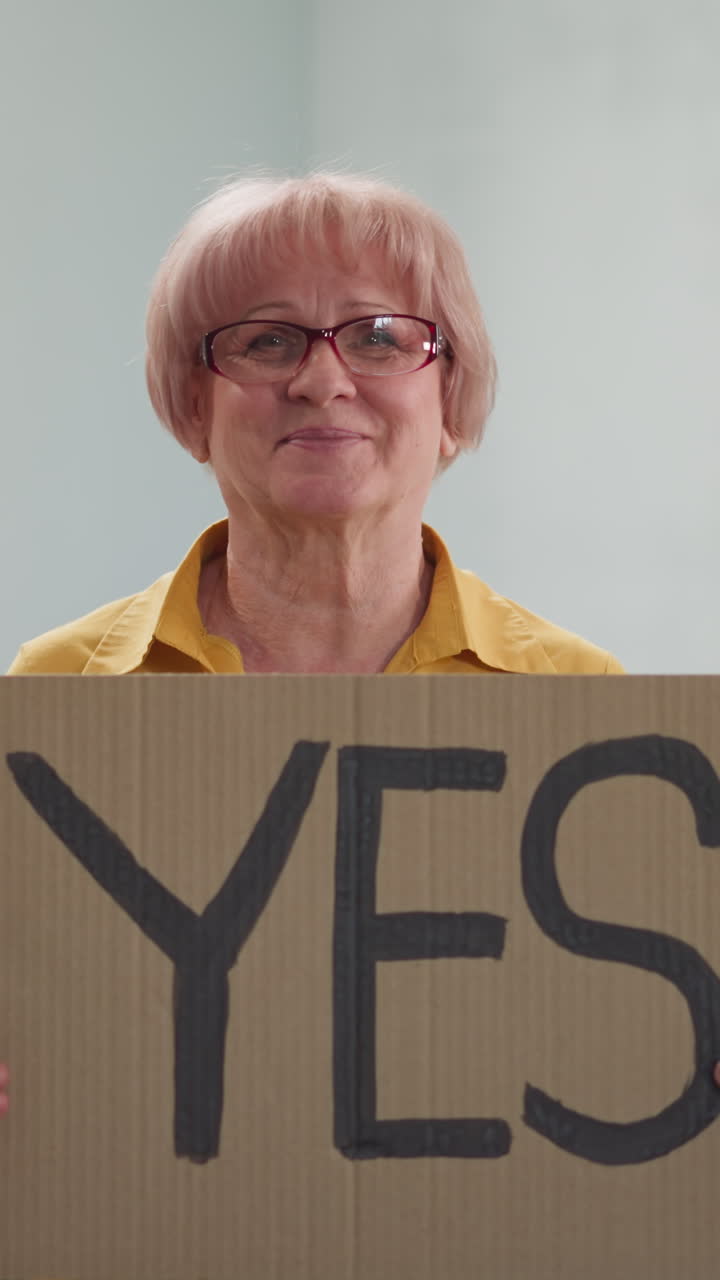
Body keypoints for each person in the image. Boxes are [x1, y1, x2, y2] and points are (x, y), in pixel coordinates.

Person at [1, 172, 626, 1113]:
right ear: (191, 406)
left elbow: (615, 1029)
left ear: (450, 400)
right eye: (265, 340)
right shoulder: (54, 691)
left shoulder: (587, 699)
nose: (323, 378)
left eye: (381, 337)